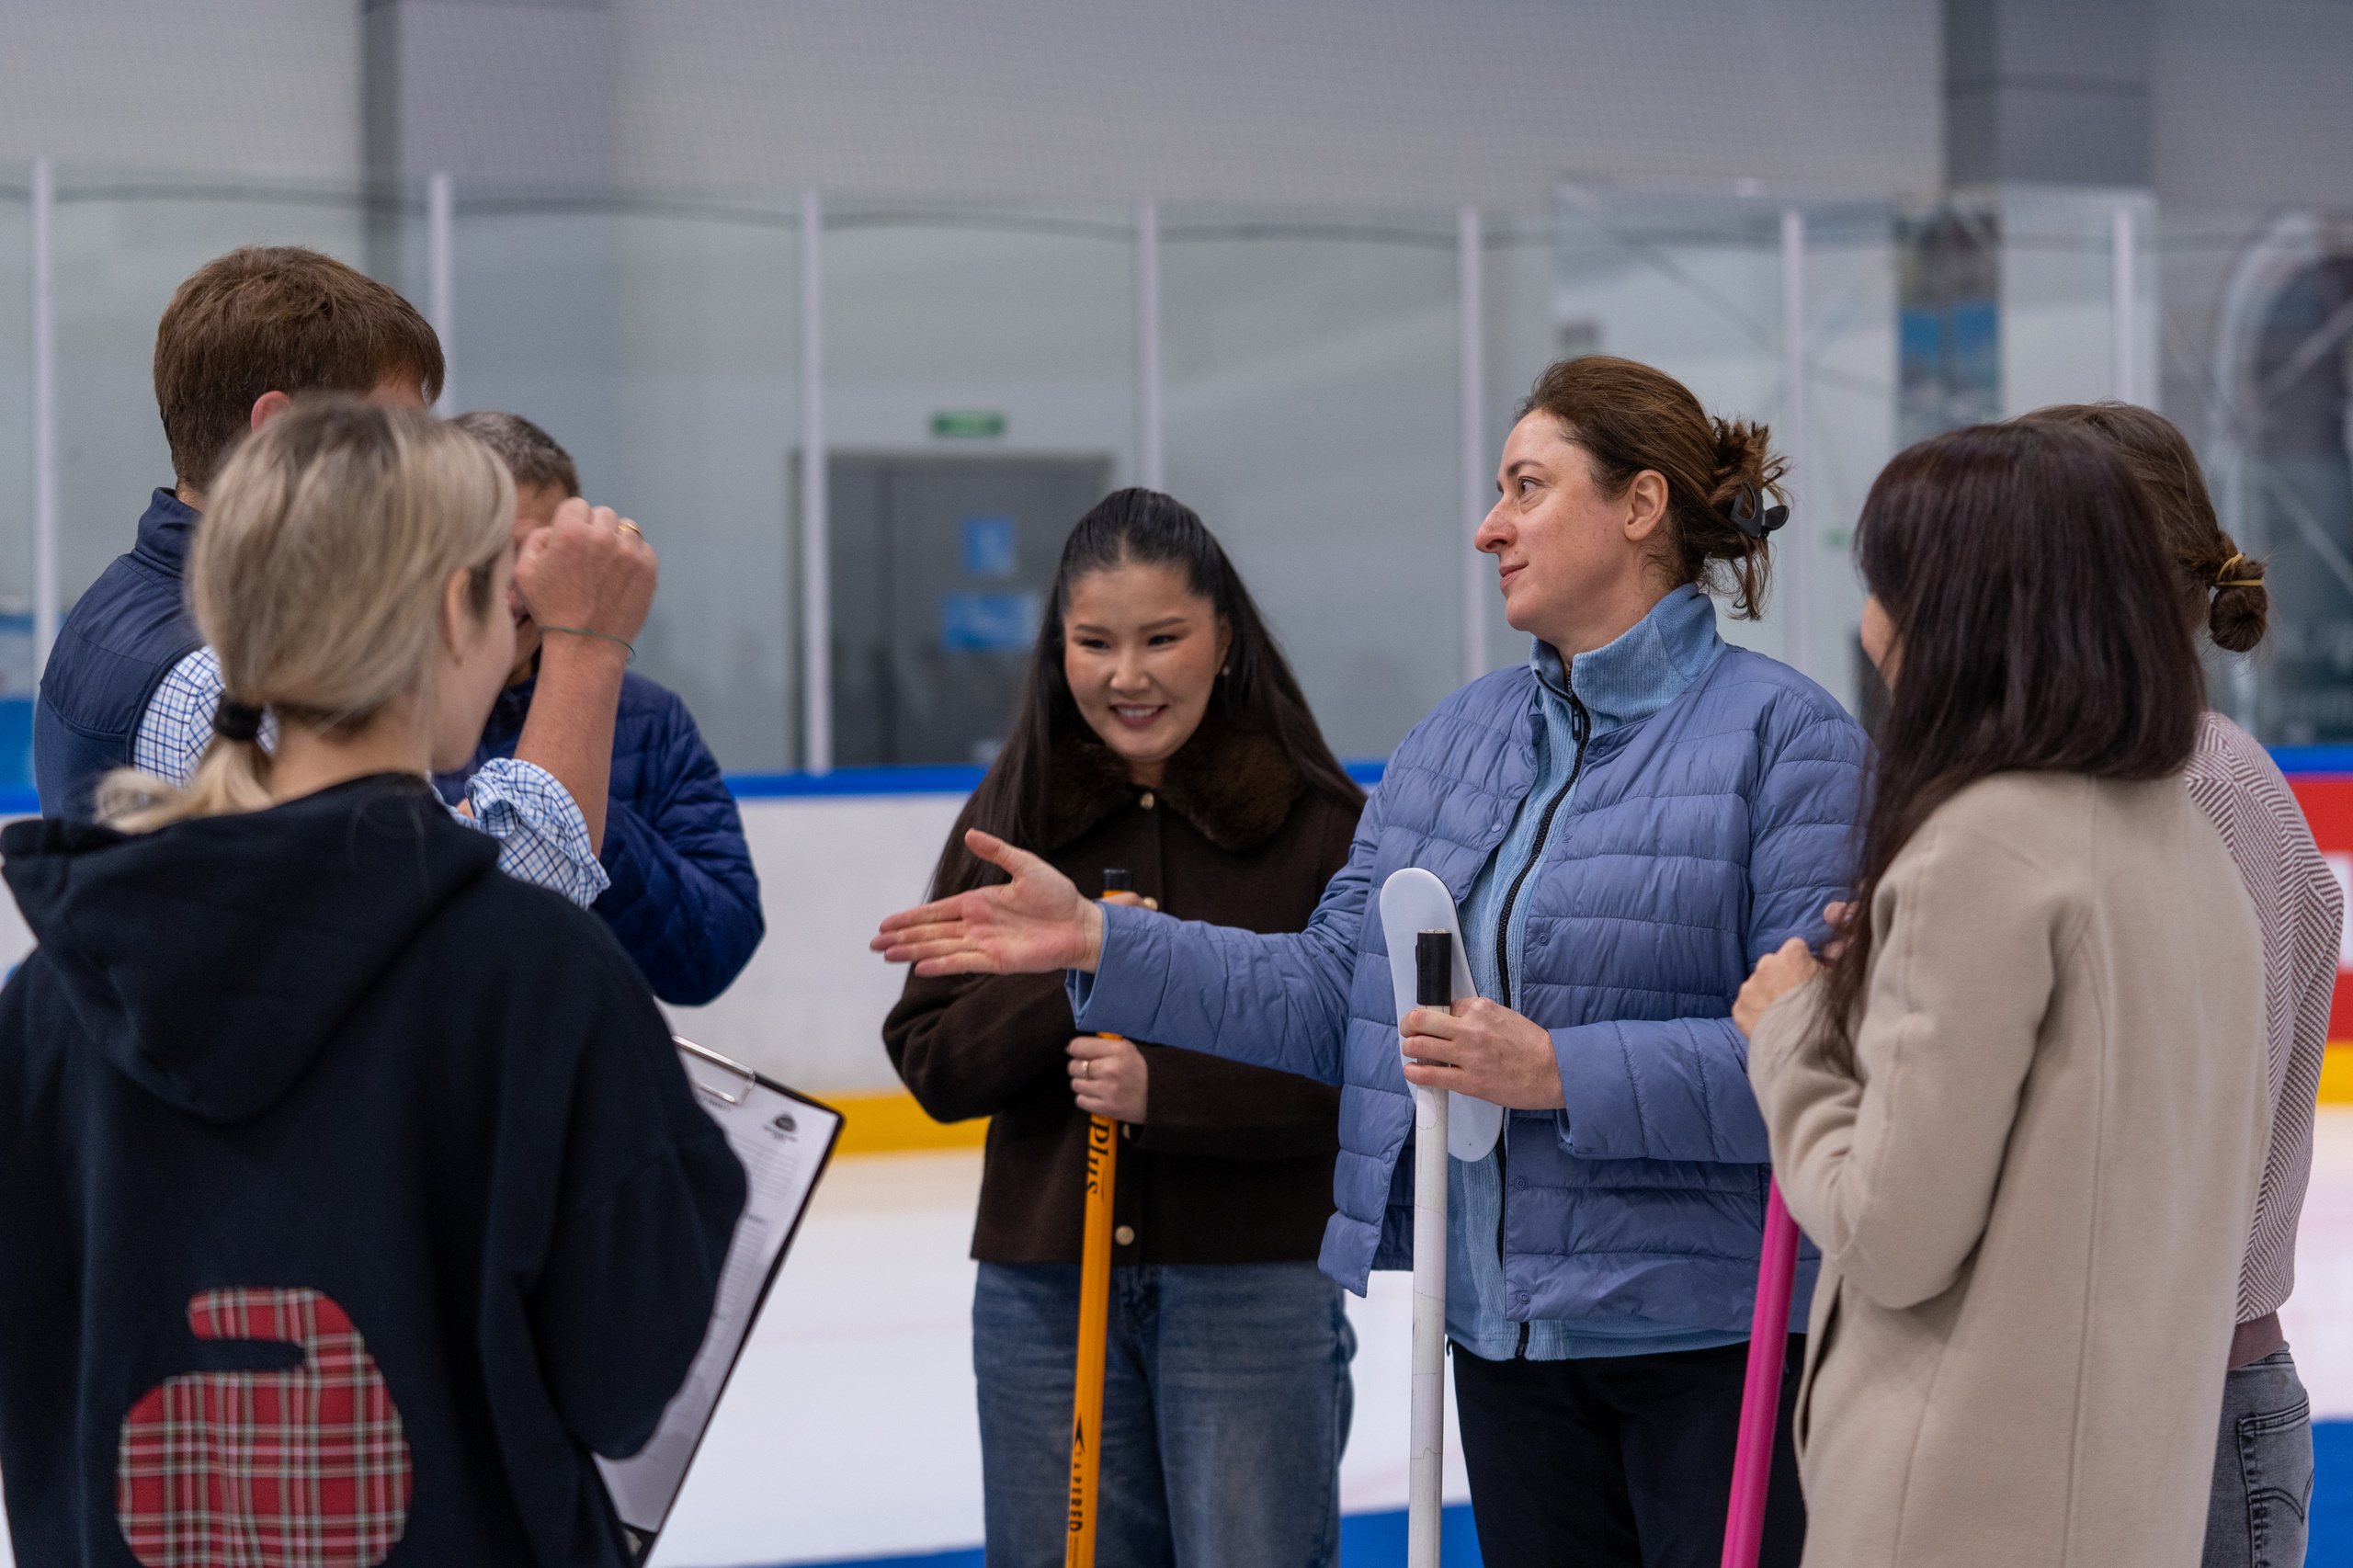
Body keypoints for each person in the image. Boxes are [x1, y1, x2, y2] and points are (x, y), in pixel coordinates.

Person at [875, 357, 1870, 1567]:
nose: (1488, 525)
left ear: (1640, 505)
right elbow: (1328, 997)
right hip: (1502, 1342)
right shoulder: (1458, 742)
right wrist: (1099, 938)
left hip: (1716, 1347)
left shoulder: (1789, 740)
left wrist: (1560, 1071)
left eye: (1526, 487)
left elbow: (1817, 1060)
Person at [0, 397, 745, 1564]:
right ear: (454, 611)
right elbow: (622, 1374)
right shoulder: (537, 975)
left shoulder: (56, 994)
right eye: (505, 597)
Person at [1734, 421, 2272, 1568]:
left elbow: (1887, 1231)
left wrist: (1789, 1030)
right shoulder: (2189, 845)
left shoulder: (1981, 846)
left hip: (1956, 1510)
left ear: (1955, 611)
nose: (1868, 626)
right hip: (2121, 1509)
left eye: (1883, 587)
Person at [885, 488, 1365, 1568]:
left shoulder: (1319, 826)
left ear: (1224, 639)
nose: (1127, 675)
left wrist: (1172, 1091)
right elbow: (932, 1062)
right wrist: (1072, 971)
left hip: (1252, 1287)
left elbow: (1365, 1063)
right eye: (1095, 642)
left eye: (1162, 638)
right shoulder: (1014, 818)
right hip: (1045, 1291)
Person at [35, 245, 655, 910]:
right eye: (396, 439)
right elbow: (481, 918)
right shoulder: (227, 680)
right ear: (281, 435)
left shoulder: (127, 600)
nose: (421, 476)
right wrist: (586, 643)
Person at [2023, 402, 2334, 1568]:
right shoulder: (2094, 780)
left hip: (2185, 1403)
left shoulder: (2202, 787)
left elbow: (2187, 1130)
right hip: (2111, 1391)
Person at [438, 411, 763, 1006]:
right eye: (484, 553)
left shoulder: (647, 718)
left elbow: (715, 952)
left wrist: (579, 794)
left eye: (541, 554)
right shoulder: (381, 714)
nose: (514, 588)